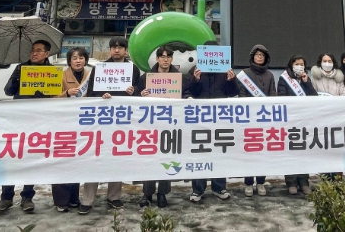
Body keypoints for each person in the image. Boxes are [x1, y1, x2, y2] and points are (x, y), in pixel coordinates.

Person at [83, 36, 141, 210]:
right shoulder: (100, 68)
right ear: (109, 50)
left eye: (120, 47)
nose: (116, 50)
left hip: (123, 119)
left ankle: (114, 196)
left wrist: (133, 90)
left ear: (126, 50)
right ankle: (87, 200)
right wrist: (101, 96)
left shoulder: (133, 69)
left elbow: (139, 92)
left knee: (117, 156)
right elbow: (91, 93)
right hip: (102, 119)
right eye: (113, 47)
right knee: (95, 156)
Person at [0, 40, 53, 212]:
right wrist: (18, 79)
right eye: (33, 50)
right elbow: (8, 91)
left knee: (31, 157)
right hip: (18, 119)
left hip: (38, 120)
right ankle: (6, 197)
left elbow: (56, 95)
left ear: (47, 54)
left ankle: (27, 197)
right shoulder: (21, 68)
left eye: (39, 50)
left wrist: (45, 95)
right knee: (12, 156)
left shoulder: (52, 71)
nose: (34, 53)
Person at [184, 40, 238, 203]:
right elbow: (188, 92)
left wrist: (231, 80)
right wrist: (196, 80)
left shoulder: (226, 70)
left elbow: (233, 93)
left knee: (219, 152)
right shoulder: (195, 70)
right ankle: (197, 190)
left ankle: (219, 187)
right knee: (200, 152)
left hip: (220, 118)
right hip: (200, 119)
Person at [137, 45, 188, 208]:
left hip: (171, 124)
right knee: (150, 158)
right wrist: (141, 94)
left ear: (171, 59)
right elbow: (136, 95)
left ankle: (162, 193)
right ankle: (147, 193)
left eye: (168, 57)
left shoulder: (179, 78)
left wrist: (187, 98)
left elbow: (186, 92)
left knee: (167, 158)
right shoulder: (147, 77)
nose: (165, 60)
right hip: (150, 124)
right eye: (162, 56)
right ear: (157, 59)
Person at [51, 47, 90, 213]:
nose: (78, 61)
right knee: (62, 161)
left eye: (81, 57)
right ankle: (61, 200)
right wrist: (66, 93)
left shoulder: (90, 75)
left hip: (82, 124)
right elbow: (51, 98)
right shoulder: (60, 75)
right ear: (69, 61)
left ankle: (74, 197)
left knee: (77, 161)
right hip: (64, 124)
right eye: (74, 58)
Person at [236, 44, 276, 197]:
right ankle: (248, 183)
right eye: (257, 54)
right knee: (249, 152)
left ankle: (260, 182)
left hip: (264, 119)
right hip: (249, 119)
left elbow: (272, 95)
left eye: (262, 55)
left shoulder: (270, 75)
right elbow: (241, 95)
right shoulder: (244, 74)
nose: (259, 57)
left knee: (262, 153)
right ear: (252, 56)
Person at [277, 55, 317, 195]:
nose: (300, 66)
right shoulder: (284, 79)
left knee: (303, 151)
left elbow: (314, 97)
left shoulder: (306, 79)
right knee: (290, 151)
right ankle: (291, 182)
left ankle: (304, 181)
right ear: (291, 65)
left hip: (304, 121)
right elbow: (282, 98)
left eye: (302, 64)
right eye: (297, 64)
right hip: (290, 120)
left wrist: (306, 83)